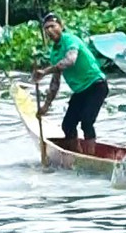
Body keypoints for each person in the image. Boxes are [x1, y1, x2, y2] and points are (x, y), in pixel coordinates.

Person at [34, 13, 109, 145]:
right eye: (46, 28)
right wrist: (46, 105)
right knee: (67, 126)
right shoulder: (54, 53)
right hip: (80, 91)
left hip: (96, 85)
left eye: (52, 26)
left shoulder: (70, 40)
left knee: (87, 122)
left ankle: (90, 157)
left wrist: (45, 71)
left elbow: (70, 60)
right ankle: (75, 155)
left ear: (61, 26)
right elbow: (55, 83)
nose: (50, 31)